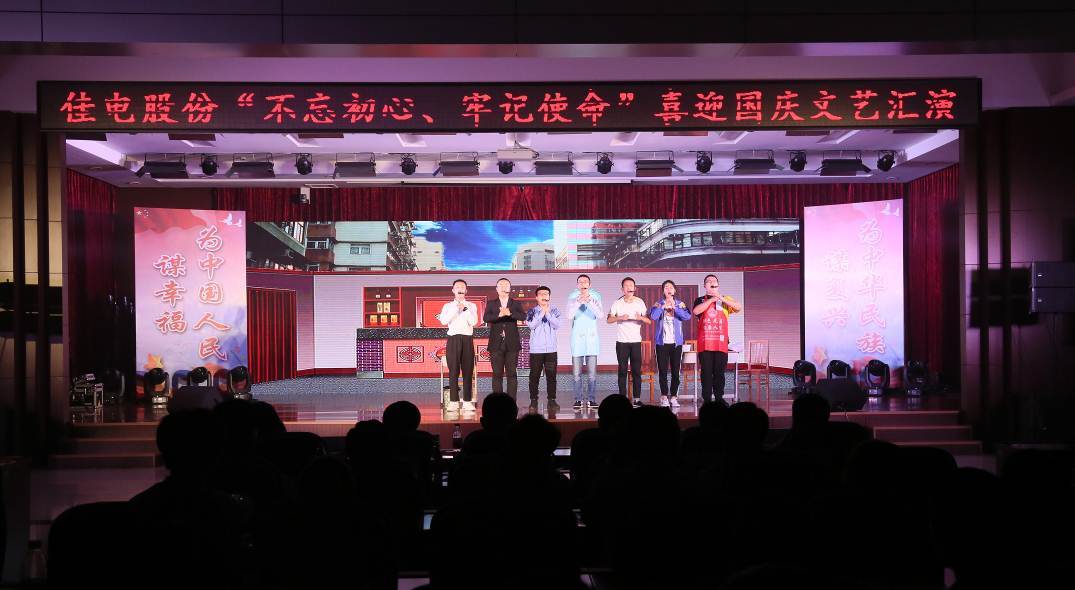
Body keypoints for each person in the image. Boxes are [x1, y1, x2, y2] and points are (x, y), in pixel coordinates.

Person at [692, 274, 742, 405]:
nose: (712, 282)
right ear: (705, 286)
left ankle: (719, 398)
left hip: (721, 342)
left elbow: (738, 307)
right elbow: (696, 311)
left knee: (719, 372)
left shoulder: (725, 299)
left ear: (718, 285)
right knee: (706, 372)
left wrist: (720, 298)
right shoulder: (700, 299)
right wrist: (712, 299)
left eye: (714, 281)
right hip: (705, 342)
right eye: (709, 281)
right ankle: (707, 399)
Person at [607, 277, 651, 407]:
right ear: (622, 289)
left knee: (636, 371)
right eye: (626, 286)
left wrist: (640, 317)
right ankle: (622, 399)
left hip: (636, 342)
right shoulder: (617, 303)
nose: (629, 288)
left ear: (635, 288)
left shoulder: (639, 302)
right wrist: (620, 317)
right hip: (622, 342)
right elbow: (609, 320)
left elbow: (648, 320)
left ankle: (637, 399)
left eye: (631, 285)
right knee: (622, 371)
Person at [649, 279, 692, 408]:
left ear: (674, 290)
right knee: (662, 371)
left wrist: (675, 308)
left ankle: (673, 397)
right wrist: (663, 306)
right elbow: (653, 316)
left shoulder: (680, 304)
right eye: (666, 287)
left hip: (676, 344)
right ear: (663, 291)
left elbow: (687, 317)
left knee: (675, 371)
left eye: (671, 287)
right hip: (661, 343)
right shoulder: (658, 304)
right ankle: (664, 396)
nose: (668, 289)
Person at [438, 279, 479, 413]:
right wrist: (456, 308)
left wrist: (464, 309)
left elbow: (473, 322)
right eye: (457, 287)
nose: (460, 288)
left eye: (462, 287)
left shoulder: (471, 305)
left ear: (466, 290)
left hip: (467, 339)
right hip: (453, 339)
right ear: (453, 290)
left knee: (468, 371)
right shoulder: (448, 306)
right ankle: (454, 402)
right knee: (453, 371)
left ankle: (467, 402)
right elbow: (444, 321)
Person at [484, 277, 526, 399]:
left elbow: (523, 316)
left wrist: (510, 313)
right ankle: (498, 402)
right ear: (496, 289)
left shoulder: (516, 303)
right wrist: (499, 315)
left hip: (512, 343)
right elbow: (486, 318)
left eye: (506, 285)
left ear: (510, 288)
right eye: (501, 285)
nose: (503, 287)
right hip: (496, 343)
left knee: (511, 374)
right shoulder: (491, 303)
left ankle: (511, 402)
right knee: (497, 374)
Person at [567, 274, 603, 411]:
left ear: (590, 284)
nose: (583, 284)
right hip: (577, 340)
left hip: (592, 340)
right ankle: (578, 399)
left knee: (592, 374)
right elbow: (569, 315)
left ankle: (592, 400)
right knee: (577, 374)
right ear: (577, 285)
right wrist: (578, 302)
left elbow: (600, 315)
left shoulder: (596, 296)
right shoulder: (572, 297)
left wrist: (589, 301)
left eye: (585, 281)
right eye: (580, 282)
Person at [526, 285, 561, 410]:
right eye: (541, 294)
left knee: (551, 376)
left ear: (549, 296)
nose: (544, 296)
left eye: (546, 294)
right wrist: (541, 313)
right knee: (534, 376)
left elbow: (557, 325)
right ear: (536, 297)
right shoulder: (531, 311)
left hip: (551, 350)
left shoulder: (555, 310)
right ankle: (533, 400)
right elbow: (531, 325)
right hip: (536, 350)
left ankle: (552, 400)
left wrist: (548, 313)